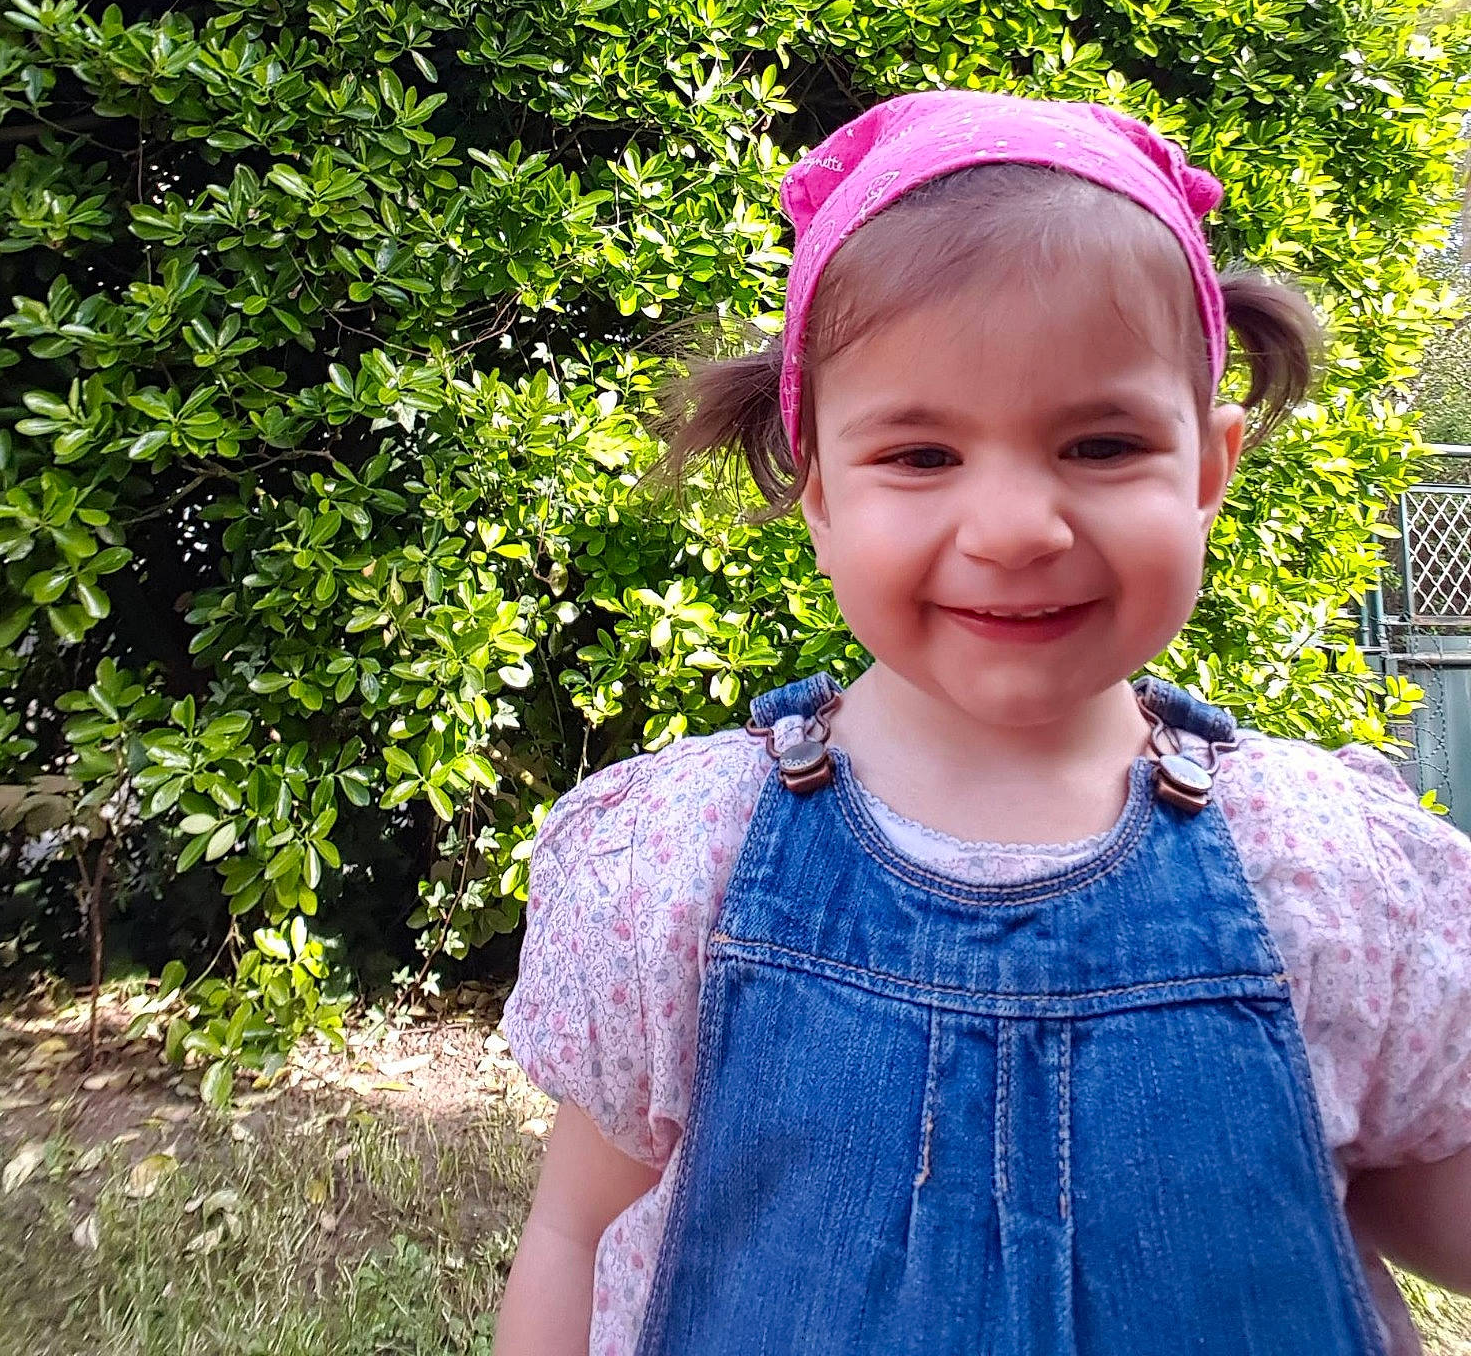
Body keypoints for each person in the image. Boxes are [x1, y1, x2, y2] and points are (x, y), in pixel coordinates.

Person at [494, 89, 1471, 1356]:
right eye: (921, 456)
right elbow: (575, 1230)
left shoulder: (1328, 875)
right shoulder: (686, 865)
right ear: (820, 494)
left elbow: (1416, 1190)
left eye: (1102, 443)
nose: (1015, 528)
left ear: (1208, 470)